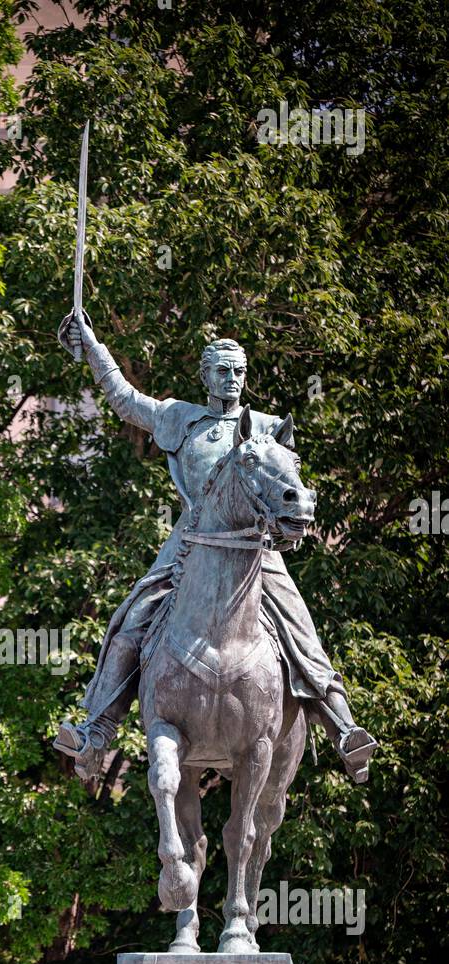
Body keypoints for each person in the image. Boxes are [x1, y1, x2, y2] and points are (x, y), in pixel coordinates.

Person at [53, 315, 377, 784]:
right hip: (187, 548)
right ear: (205, 376)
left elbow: (285, 491)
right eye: (222, 371)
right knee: (130, 622)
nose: (232, 379)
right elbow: (123, 398)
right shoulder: (179, 418)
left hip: (256, 552)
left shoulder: (267, 428)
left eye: (239, 371)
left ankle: (345, 730)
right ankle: (96, 730)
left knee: (302, 629)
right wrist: (91, 345)